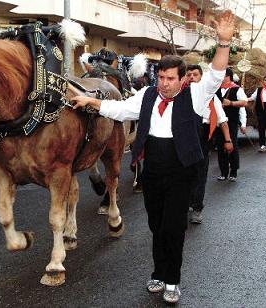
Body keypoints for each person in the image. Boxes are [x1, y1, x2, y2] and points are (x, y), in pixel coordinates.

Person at [71, 11, 235, 304]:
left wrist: (223, 42)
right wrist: (91, 101)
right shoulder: (147, 95)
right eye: (161, 77)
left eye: (170, 78)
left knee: (174, 227)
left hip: (181, 170)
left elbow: (216, 74)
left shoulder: (196, 95)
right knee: (156, 226)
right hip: (153, 171)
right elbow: (120, 110)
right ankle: (158, 273)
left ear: (182, 79)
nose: (164, 83)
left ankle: (172, 279)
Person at [186, 64, 233, 224]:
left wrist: (228, 140)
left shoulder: (212, 98)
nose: (191, 77)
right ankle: (185, 203)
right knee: (183, 174)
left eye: (195, 75)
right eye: (189, 74)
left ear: (201, 78)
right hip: (184, 138)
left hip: (202, 138)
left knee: (199, 175)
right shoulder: (181, 96)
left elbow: (223, 121)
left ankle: (197, 208)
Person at [214, 68, 248, 182]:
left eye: (223, 75)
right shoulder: (216, 89)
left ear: (228, 76)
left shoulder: (237, 89)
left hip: (231, 122)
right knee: (220, 146)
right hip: (218, 122)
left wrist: (231, 103)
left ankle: (233, 171)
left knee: (232, 145)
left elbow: (244, 102)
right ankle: (223, 172)